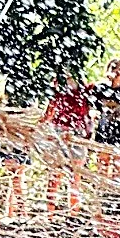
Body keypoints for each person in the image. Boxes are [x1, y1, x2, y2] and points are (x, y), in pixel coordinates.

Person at [40, 74, 91, 213]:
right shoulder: (58, 84)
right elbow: (50, 109)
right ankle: (49, 214)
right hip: (58, 132)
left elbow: (88, 112)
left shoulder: (84, 88)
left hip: (76, 133)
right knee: (55, 175)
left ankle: (73, 214)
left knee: (74, 177)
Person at [89, 58, 120, 178]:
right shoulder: (99, 89)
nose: (116, 71)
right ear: (107, 71)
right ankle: (102, 189)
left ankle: (115, 191)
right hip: (103, 129)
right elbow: (91, 107)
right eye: (113, 68)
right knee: (102, 161)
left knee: (119, 162)